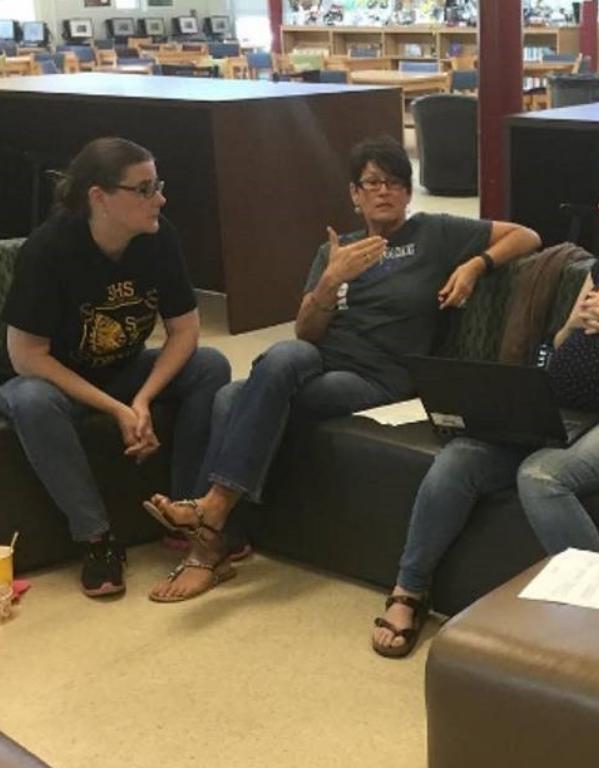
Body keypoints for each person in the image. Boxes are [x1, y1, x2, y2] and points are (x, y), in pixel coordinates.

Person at [371, 137, 599, 657]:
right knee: (460, 457)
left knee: (543, 476)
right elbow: (561, 343)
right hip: (567, 412)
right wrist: (574, 325)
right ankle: (409, 592)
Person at [144, 135, 541, 602]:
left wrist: (476, 265)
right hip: (324, 359)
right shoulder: (336, 250)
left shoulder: (435, 233)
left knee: (234, 398)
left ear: (408, 192)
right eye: (372, 183)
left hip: (380, 377)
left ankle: (209, 537)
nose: (384, 191)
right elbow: (307, 332)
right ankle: (215, 522)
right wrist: (331, 280)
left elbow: (527, 235)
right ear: (354, 194)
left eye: (395, 182)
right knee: (277, 360)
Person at [0, 137, 230, 597]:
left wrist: (142, 399)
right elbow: (27, 356)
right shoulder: (48, 249)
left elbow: (185, 331)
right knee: (29, 400)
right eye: (143, 189)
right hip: (53, 378)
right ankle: (97, 539)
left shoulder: (159, 236)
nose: (159, 199)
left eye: (157, 185)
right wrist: (118, 410)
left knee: (209, 365)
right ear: (99, 198)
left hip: (122, 369)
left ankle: (184, 514)